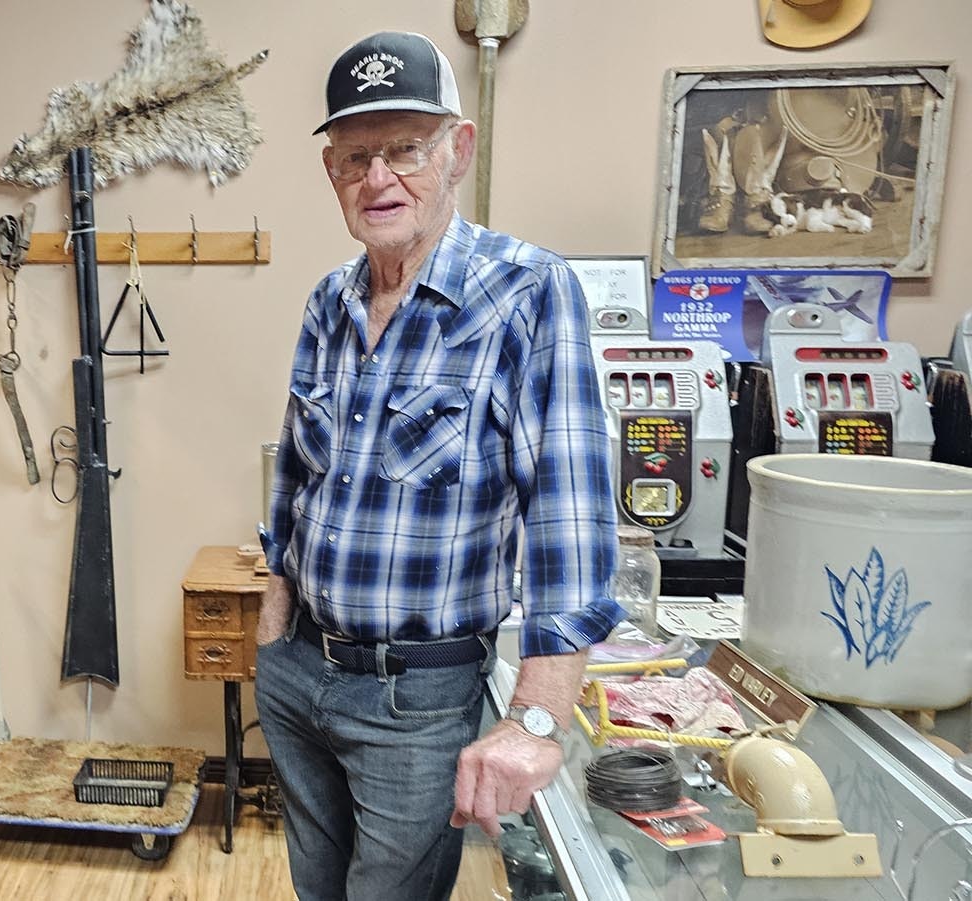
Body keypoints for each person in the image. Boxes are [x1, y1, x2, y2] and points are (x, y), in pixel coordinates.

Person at [256, 31, 624, 901]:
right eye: (355, 156)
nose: (378, 177)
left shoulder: (528, 293)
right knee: (318, 890)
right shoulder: (329, 302)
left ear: (457, 151)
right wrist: (274, 628)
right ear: (331, 172)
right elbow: (295, 479)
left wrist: (537, 719)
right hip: (300, 673)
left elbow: (567, 520)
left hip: (414, 703)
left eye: (405, 149)